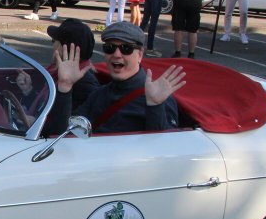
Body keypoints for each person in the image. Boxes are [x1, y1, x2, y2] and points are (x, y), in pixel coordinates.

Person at [47, 21, 185, 135]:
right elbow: (63, 135)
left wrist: (155, 107)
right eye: (110, 47)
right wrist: (64, 87)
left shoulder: (158, 96)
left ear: (140, 55)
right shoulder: (99, 95)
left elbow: (164, 151)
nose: (117, 54)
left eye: (126, 48)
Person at [45, 18, 100, 110]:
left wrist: (65, 86)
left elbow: (66, 117)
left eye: (54, 41)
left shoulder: (85, 84)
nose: (53, 45)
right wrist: (28, 90)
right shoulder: (56, 71)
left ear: (62, 48)